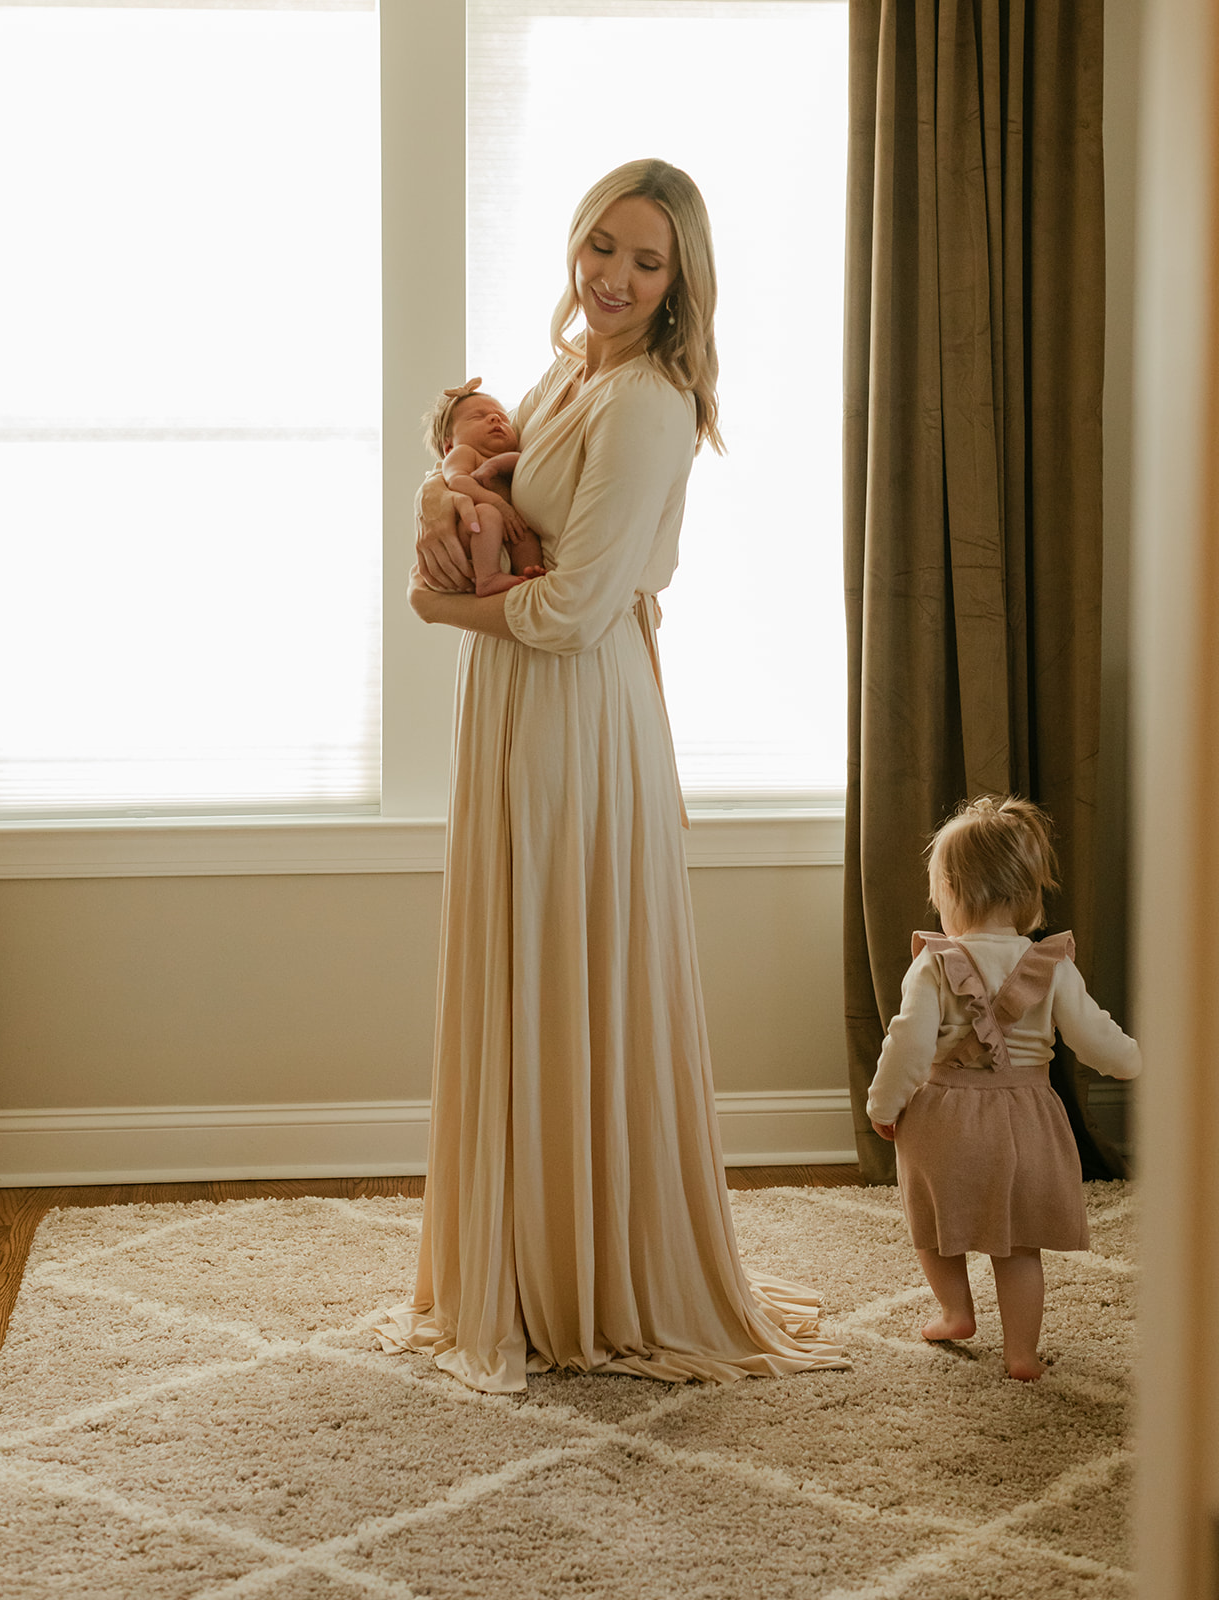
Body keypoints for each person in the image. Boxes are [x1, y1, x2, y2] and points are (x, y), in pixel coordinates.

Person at [375, 158, 848, 1393]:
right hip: (524, 696)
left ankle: (591, 1275)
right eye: (602, 248)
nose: (615, 278)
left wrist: (433, 606)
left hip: (577, 704)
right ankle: (531, 1264)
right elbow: (522, 513)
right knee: (527, 962)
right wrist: (451, 480)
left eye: (646, 261)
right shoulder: (567, 369)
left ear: (682, 279)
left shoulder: (643, 399)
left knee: (570, 961)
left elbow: (579, 606)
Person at [867, 795, 1141, 1381]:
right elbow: (1095, 1039)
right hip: (1027, 1119)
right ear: (1026, 893)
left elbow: (907, 1045)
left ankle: (955, 1313)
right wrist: (1133, 1061)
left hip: (944, 1120)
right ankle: (1021, 1354)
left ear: (950, 892)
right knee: (1017, 1245)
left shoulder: (936, 963)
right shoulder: (1052, 963)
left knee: (936, 1225)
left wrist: (883, 1105)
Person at [422, 377, 545, 597]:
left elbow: (523, 462)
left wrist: (496, 465)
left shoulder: (506, 458)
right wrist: (497, 502)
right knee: (486, 513)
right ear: (449, 444)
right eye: (477, 417)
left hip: (502, 533)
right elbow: (457, 480)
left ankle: (529, 573)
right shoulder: (464, 453)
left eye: (503, 418)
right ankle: (488, 579)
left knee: (524, 531)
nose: (495, 418)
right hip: (470, 533)